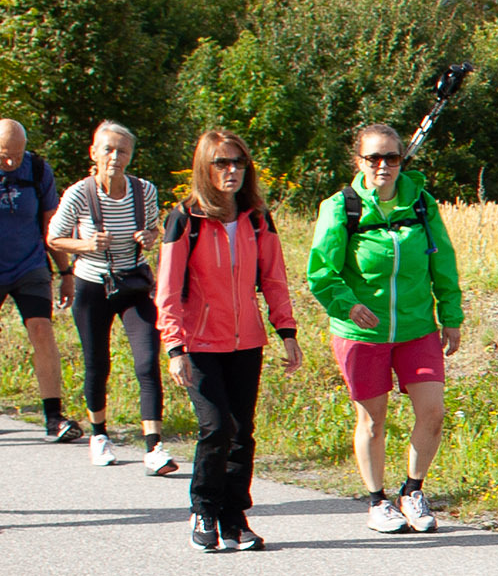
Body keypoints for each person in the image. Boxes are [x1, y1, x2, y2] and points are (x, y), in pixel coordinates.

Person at [308, 122, 464, 535]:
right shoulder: (342, 207)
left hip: (417, 328)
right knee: (373, 421)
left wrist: (450, 314)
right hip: (364, 332)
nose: (383, 165)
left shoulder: (421, 204)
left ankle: (412, 491)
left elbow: (441, 262)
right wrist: (348, 304)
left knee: (432, 413)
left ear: (402, 160)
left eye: (391, 157)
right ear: (358, 161)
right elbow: (321, 271)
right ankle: (377, 501)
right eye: (373, 157)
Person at [155, 127, 299, 553]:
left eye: (238, 162)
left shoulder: (256, 217)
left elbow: (274, 278)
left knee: (242, 433)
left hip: (246, 342)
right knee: (215, 427)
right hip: (199, 344)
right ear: (205, 167)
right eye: (222, 162)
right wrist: (174, 346)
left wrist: (286, 331)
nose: (232, 170)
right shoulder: (185, 218)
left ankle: (235, 517)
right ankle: (203, 508)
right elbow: (167, 288)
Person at [49, 121, 169, 471]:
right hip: (92, 285)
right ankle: (99, 435)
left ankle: (155, 446)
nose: (115, 157)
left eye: (123, 151)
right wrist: (86, 245)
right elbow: (54, 238)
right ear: (94, 153)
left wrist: (149, 237)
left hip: (132, 284)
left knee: (147, 360)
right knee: (97, 363)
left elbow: (153, 229)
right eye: (109, 149)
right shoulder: (78, 193)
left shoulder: (144, 190)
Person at [0, 120, 72, 440]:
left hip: (30, 266)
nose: (10, 163)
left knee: (42, 330)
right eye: (4, 156)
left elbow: (51, 225)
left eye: (16, 156)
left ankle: (54, 416)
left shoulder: (37, 170)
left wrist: (65, 272)